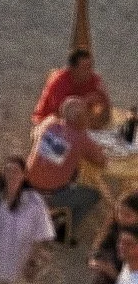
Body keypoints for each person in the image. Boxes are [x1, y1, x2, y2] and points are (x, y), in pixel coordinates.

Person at [0, 156, 57, 284]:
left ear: (24, 174)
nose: (11, 175)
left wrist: (32, 263)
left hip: (16, 272)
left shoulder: (35, 202)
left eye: (15, 171)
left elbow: (40, 236)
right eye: (8, 170)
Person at [25, 97, 105, 237]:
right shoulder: (81, 139)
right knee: (94, 195)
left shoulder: (48, 123)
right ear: (82, 119)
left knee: (68, 171)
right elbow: (101, 161)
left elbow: (35, 135)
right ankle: (63, 232)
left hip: (26, 184)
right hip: (49, 196)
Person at [33, 47, 112, 130]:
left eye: (90, 67)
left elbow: (106, 114)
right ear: (73, 69)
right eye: (85, 68)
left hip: (80, 125)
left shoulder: (94, 80)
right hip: (49, 124)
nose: (89, 72)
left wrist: (104, 101)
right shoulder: (59, 81)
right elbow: (61, 114)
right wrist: (85, 101)